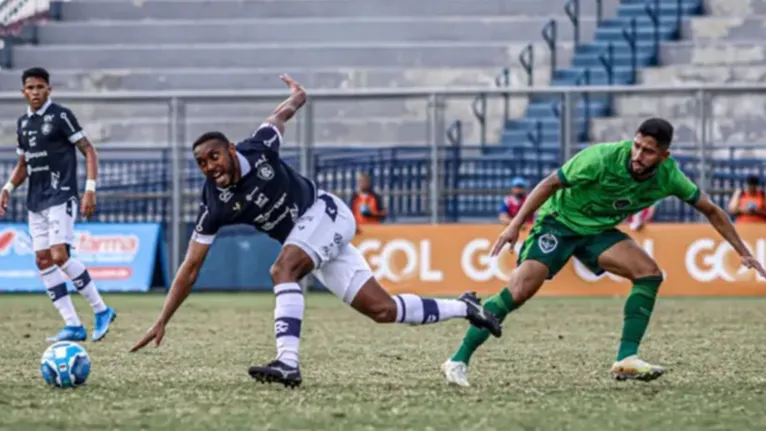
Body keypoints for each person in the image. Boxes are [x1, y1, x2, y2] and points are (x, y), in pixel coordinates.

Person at [129, 74, 502, 388]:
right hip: (309, 238)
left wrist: (298, 96)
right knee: (383, 310)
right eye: (201, 164)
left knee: (282, 270)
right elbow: (191, 267)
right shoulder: (215, 203)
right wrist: (163, 318)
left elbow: (279, 117)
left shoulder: (258, 150)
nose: (210, 167)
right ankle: (464, 306)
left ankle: (287, 362)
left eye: (214, 156)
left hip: (326, 213)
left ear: (228, 149)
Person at [441, 117, 766, 387]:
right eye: (637, 146)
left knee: (649, 274)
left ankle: (626, 358)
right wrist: (514, 225)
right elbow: (548, 183)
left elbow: (710, 209)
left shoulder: (669, 176)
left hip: (597, 231)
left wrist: (743, 251)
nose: (638, 155)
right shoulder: (601, 158)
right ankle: (457, 360)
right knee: (519, 291)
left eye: (649, 152)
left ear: (664, 156)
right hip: (559, 223)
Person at [0, 67, 117, 342]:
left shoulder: (61, 116)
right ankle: (73, 325)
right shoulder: (23, 124)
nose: (36, 92)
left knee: (59, 255)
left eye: (41, 87)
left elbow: (89, 150)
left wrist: (90, 189)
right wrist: (7, 188)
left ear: (49, 89)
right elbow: (23, 164)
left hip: (61, 194)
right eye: (30, 88)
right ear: (23, 92)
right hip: (36, 200)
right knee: (42, 260)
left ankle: (102, 310)